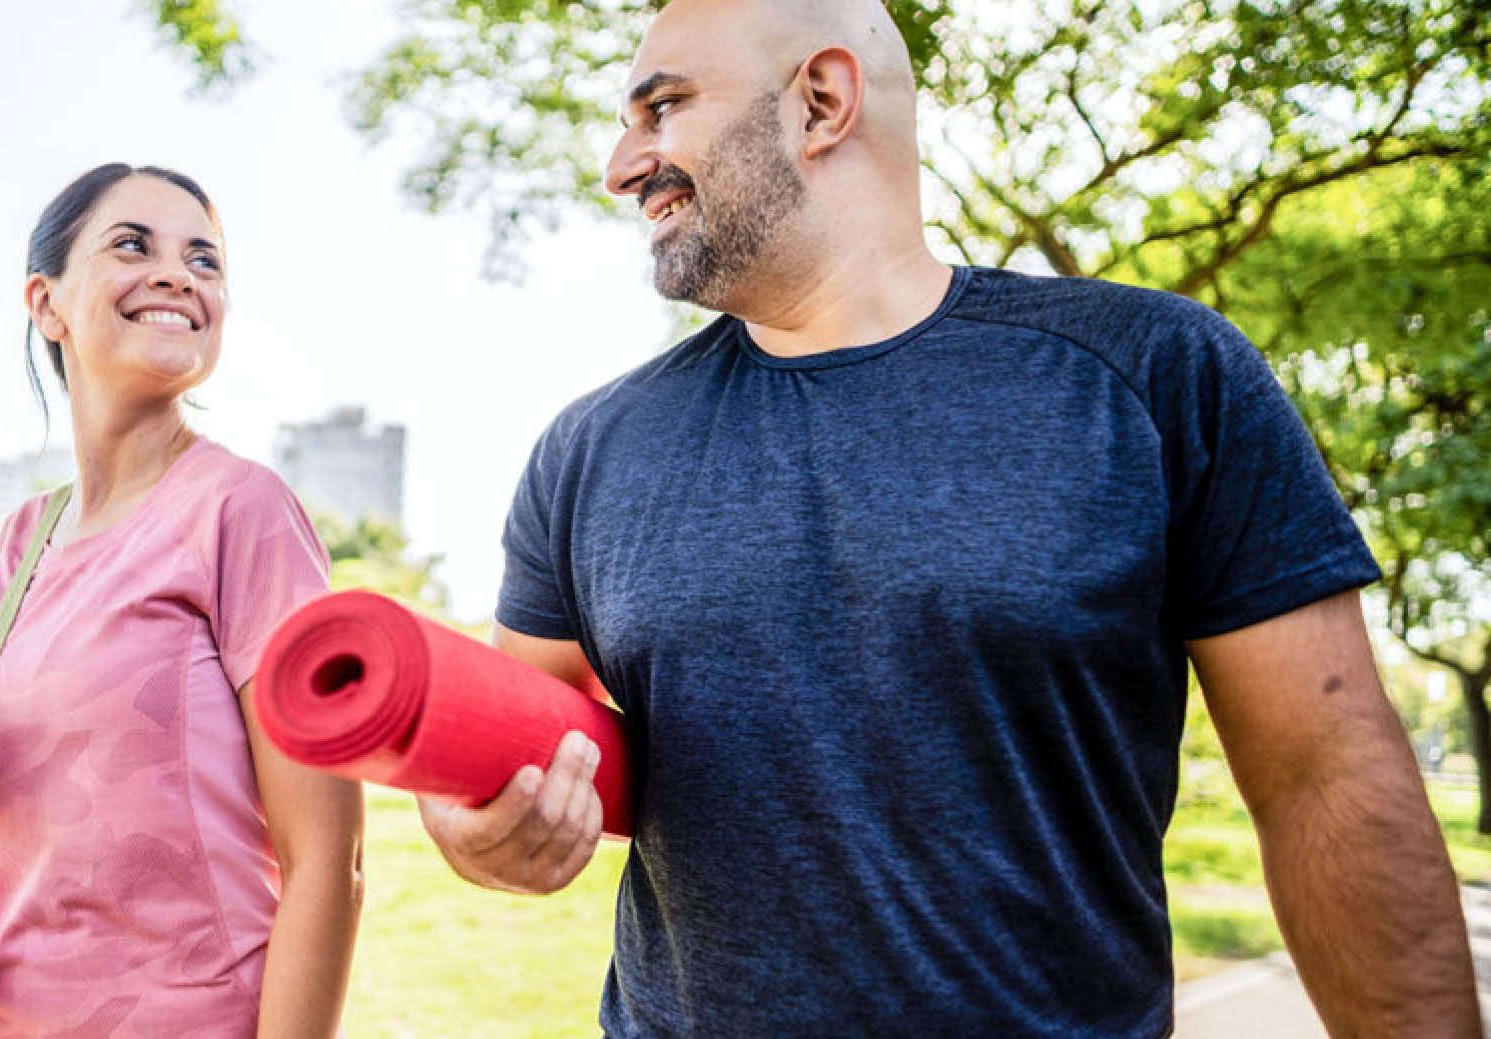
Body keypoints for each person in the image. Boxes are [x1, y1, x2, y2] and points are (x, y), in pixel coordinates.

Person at [416, 1, 1480, 1036]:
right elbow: (509, 739)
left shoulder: (1159, 374)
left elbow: (1323, 779)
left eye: (662, 109)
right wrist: (474, 829)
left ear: (821, 102)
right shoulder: (589, 449)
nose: (620, 165)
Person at [0, 163, 363, 1038]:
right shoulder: (27, 535)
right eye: (133, 246)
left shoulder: (242, 510)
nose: (180, 274)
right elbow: (53, 818)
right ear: (47, 302)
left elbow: (329, 858)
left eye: (205, 260)